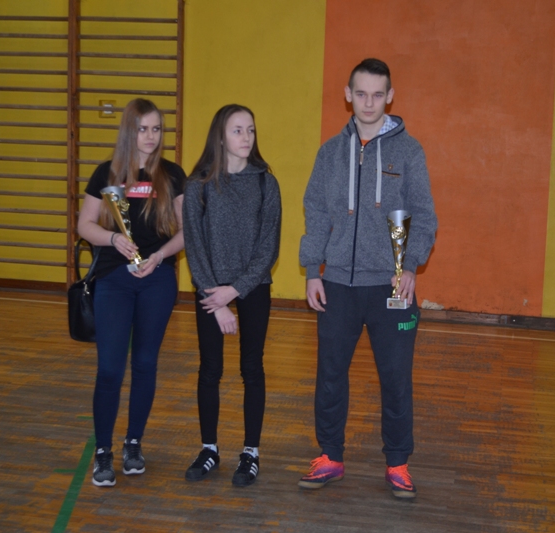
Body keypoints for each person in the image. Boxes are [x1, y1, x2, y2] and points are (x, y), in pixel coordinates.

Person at [297, 58, 437, 499]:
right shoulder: (329, 153)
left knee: (395, 378)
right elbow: (316, 212)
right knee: (330, 375)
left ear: (390, 97)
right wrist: (313, 271)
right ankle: (330, 456)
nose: (369, 103)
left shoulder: (409, 151)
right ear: (348, 95)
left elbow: (424, 215)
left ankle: (398, 463)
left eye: (378, 94)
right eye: (361, 94)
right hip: (337, 283)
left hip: (391, 286)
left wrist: (409, 266)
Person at [77, 98, 186, 487]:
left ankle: (133, 443)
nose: (150, 136)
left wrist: (159, 256)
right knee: (110, 368)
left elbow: (187, 231)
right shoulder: (106, 173)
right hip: (114, 280)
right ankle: (103, 451)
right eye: (143, 129)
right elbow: (84, 225)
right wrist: (112, 239)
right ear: (129, 131)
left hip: (157, 279)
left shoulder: (172, 175)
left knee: (144, 364)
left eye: (156, 129)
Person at [182, 104, 281, 487]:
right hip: (210, 288)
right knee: (210, 370)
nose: (246, 137)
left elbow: (268, 247)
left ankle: (250, 452)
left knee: (252, 368)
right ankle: (209, 449)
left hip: (253, 286)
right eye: (237, 130)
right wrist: (217, 299)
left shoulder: (266, 183)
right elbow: (195, 245)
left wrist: (235, 291)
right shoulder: (199, 184)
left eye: (250, 130)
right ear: (220, 137)